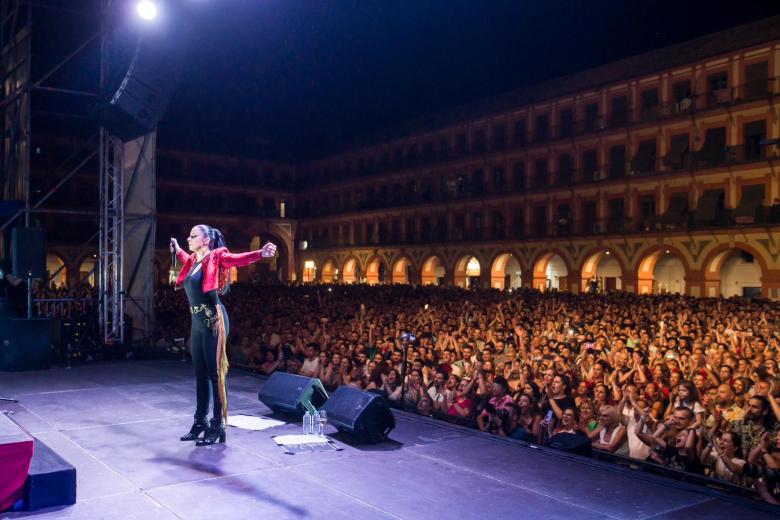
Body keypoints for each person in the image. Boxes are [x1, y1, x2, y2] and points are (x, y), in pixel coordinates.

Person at [171, 225, 276, 445]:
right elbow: (185, 258)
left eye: (193, 236)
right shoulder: (193, 261)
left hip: (213, 320)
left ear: (206, 240)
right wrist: (177, 248)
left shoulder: (217, 257)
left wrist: (259, 254)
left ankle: (218, 425)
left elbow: (236, 259)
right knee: (200, 374)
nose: (188, 239)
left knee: (215, 374)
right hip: (197, 322)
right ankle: (200, 422)